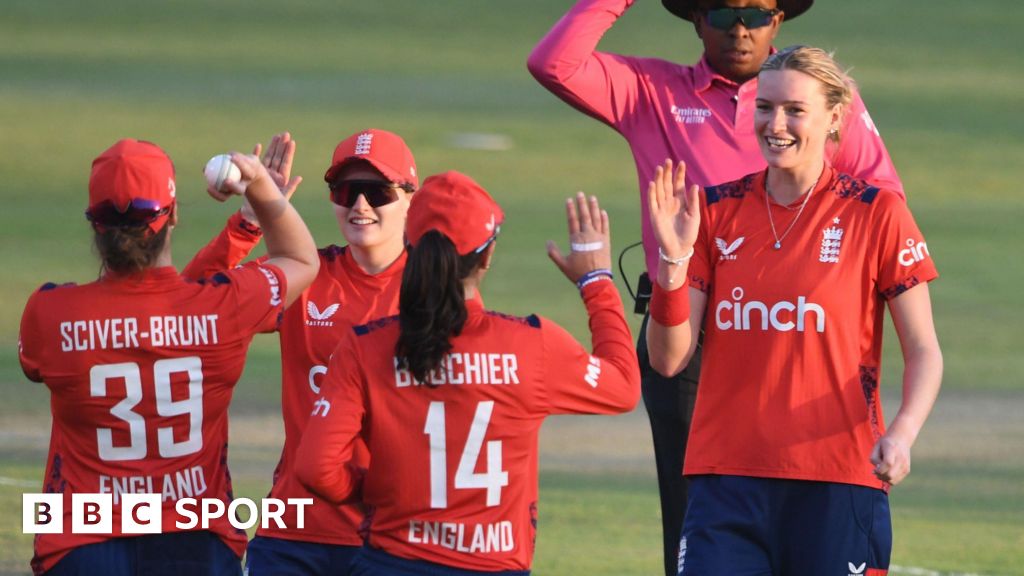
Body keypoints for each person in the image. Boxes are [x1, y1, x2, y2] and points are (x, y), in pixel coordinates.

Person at [527, 2, 905, 572]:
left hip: (793, 329)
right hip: (685, 328)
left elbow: (879, 202)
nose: (740, 26)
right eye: (724, 9)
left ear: (779, 21)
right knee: (695, 529)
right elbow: (553, 63)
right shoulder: (651, 89)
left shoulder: (815, 104)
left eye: (756, 12)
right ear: (697, 18)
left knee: (810, 514)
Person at [645, 46, 942, 574]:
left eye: (794, 110)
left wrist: (902, 433)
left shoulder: (877, 213)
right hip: (724, 481)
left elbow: (923, 350)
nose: (774, 123)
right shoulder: (714, 211)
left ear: (835, 118)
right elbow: (669, 360)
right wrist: (673, 263)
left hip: (837, 480)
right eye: (765, 106)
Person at [294, 171, 641, 575]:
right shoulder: (531, 344)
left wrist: (375, 491)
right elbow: (624, 386)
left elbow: (315, 467)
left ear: (411, 247)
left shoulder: (364, 347)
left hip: (390, 562)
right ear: (487, 256)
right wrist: (595, 282)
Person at [18, 138, 319, 575]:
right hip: (197, 543)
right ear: (173, 214)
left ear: (95, 224)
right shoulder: (223, 309)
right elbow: (299, 258)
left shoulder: (50, 313)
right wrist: (259, 194)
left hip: (82, 544)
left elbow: (148, 314)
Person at [182, 129, 418, 575]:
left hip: (391, 540)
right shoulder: (305, 276)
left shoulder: (432, 292)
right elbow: (194, 305)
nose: (360, 206)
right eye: (347, 191)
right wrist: (251, 220)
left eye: (377, 192)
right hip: (293, 535)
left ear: (410, 198)